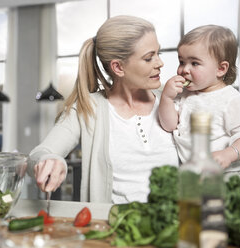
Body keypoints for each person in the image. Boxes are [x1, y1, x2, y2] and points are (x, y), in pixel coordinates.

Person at [29, 15, 179, 204]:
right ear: (118, 67)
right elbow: (38, 154)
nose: (159, 63)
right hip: (114, 228)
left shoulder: (173, 100)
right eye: (149, 58)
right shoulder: (86, 109)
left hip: (176, 225)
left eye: (159, 53)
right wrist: (50, 159)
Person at [158, 25, 240, 176]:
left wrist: (229, 154)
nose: (184, 69)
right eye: (181, 61)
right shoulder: (184, 95)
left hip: (234, 173)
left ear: (221, 69)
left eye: (194, 63)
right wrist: (167, 98)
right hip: (198, 177)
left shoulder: (232, 101)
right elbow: (169, 125)